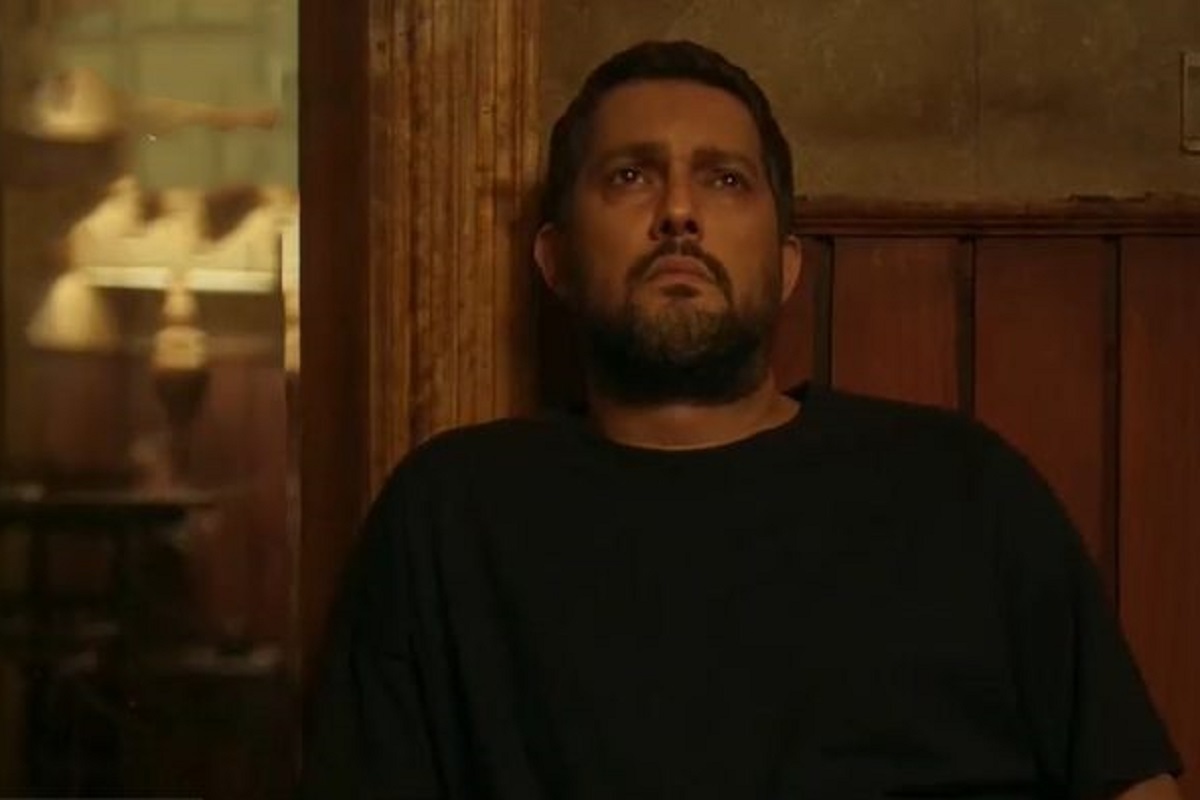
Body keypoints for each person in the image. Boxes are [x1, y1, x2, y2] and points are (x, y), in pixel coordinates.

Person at [298, 41, 1183, 799]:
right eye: (630, 176)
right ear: (556, 260)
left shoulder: (962, 487)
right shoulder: (452, 516)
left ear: (787, 266)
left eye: (726, 180)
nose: (679, 214)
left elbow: (1133, 784)